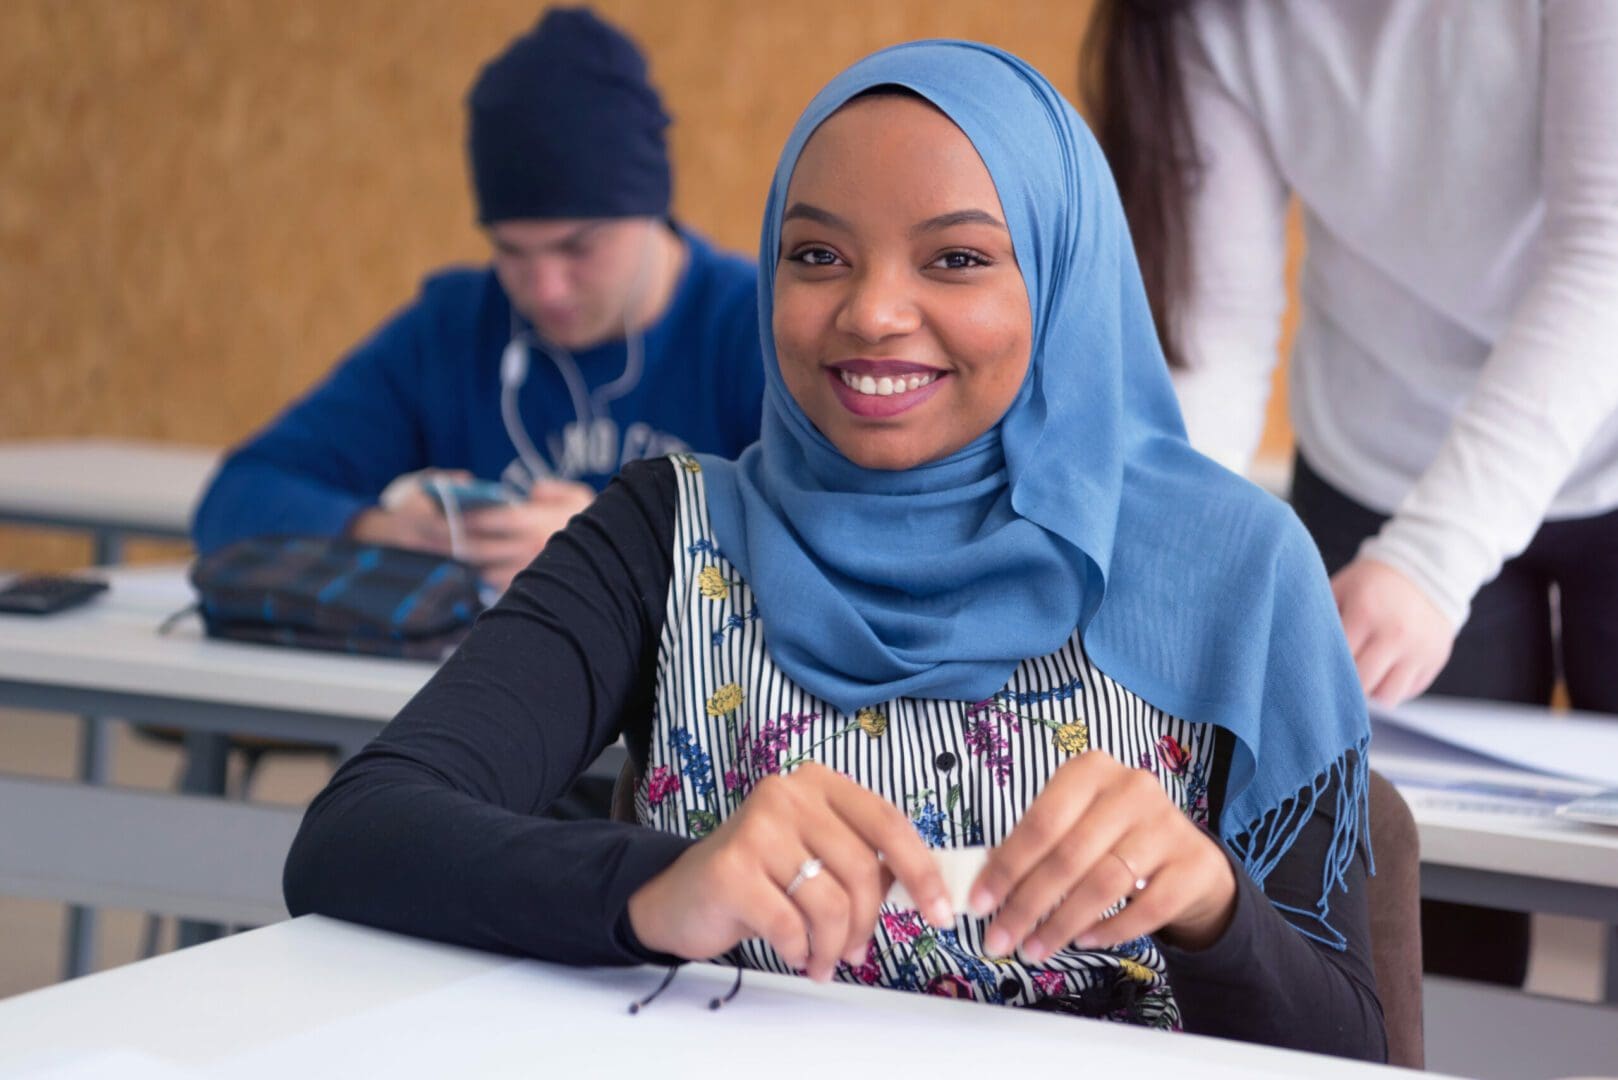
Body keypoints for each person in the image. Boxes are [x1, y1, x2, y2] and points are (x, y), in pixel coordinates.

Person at [283, 41, 1385, 1060]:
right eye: (817, 255)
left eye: (955, 259)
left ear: (1059, 279)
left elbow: (1349, 1049)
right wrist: (667, 886)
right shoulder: (669, 534)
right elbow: (358, 834)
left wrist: (1210, 903)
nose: (870, 313)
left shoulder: (1232, 570)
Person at [1084, 0, 1618, 987]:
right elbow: (1223, 335)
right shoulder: (1204, 21)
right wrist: (1146, 555)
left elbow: (1604, 254)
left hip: (1536, 457)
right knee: (1421, 907)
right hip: (1377, 458)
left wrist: (1431, 558)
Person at [191, 8, 764, 592]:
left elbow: (833, 545)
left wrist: (612, 545)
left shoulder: (757, 330)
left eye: (578, 247)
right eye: (512, 251)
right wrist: (377, 531)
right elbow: (239, 496)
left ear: (650, 209)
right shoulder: (453, 330)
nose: (545, 289)